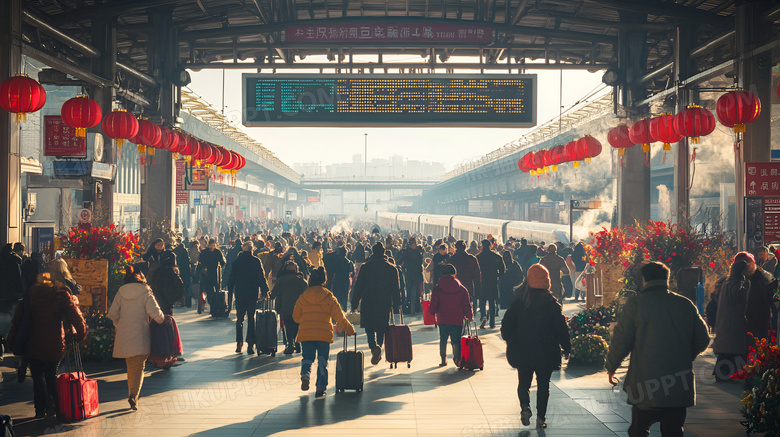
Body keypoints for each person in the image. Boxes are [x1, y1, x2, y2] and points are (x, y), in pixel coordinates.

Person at [606, 262, 710, 437]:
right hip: (677, 382)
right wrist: (685, 356)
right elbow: (703, 338)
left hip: (646, 382)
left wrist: (612, 366)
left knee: (639, 429)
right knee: (674, 430)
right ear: (667, 279)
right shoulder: (685, 304)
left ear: (644, 279)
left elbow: (621, 339)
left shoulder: (636, 304)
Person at [7, 271, 87, 418]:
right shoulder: (61, 296)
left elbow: (17, 322)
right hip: (55, 345)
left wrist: (11, 343)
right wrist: (80, 336)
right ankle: (55, 407)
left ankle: (39, 409)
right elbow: (76, 317)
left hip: (32, 346)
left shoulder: (29, 297)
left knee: (37, 377)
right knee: (51, 375)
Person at [501, 264, 570, 430]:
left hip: (523, 352)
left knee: (523, 383)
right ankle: (540, 419)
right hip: (546, 353)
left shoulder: (519, 304)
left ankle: (525, 406)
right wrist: (566, 347)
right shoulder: (553, 305)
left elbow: (505, 328)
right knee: (543, 386)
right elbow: (561, 329)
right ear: (547, 282)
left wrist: (511, 340)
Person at [292, 267, 355, 398]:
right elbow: (339, 317)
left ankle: (305, 375)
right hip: (323, 335)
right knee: (322, 361)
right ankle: (320, 388)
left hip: (306, 334)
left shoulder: (303, 296)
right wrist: (349, 329)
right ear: (323, 280)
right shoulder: (328, 296)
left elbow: (296, 317)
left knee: (307, 358)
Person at [108, 266, 165, 410]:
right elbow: (156, 314)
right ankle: (134, 395)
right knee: (139, 365)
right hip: (140, 332)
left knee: (130, 365)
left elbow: (113, 312)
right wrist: (162, 318)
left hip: (125, 331)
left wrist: (119, 324)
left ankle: (131, 393)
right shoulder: (146, 291)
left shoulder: (121, 291)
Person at [351, 242, 402, 365]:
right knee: (381, 327)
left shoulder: (365, 267)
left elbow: (359, 287)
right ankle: (379, 345)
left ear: (373, 252)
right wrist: (397, 303)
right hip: (384, 302)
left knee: (369, 327)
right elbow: (396, 288)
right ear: (384, 252)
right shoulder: (391, 268)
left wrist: (354, 302)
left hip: (368, 300)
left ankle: (374, 347)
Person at [228, 241, 268, 354]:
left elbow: (232, 278)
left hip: (240, 293)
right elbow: (261, 276)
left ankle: (239, 342)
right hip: (252, 293)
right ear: (252, 250)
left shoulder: (237, 262)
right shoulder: (256, 261)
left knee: (239, 318)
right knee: (251, 318)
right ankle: (250, 344)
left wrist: (230, 292)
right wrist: (265, 290)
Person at [429, 264, 473, 366]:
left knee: (443, 339)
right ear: (455, 274)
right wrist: (469, 316)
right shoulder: (462, 288)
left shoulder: (437, 288)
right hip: (457, 319)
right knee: (456, 340)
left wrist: (432, 311)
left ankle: (443, 359)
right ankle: (457, 359)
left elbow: (434, 303)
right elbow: (466, 304)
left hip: (442, 319)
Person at [271, 261, 308, 354]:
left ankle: (290, 344)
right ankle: (297, 343)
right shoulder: (301, 280)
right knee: (297, 325)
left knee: (288, 326)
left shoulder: (281, 279)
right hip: (299, 309)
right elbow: (307, 294)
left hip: (285, 307)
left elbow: (273, 294)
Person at [743, 251, 778, 340]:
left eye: (748, 264)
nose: (746, 267)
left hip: (761, 320)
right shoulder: (741, 280)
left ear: (753, 263)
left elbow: (770, 300)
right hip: (748, 321)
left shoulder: (764, 277)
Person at [475, 239, 505, 329]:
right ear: (490, 246)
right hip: (492, 281)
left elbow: (475, 271)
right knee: (492, 302)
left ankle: (483, 316)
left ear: (482, 246)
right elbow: (503, 270)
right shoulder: (497, 257)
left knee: (482, 301)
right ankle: (492, 321)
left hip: (482, 282)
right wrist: (497, 275)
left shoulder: (478, 257)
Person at [148, 252, 185, 316]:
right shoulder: (172, 272)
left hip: (156, 300)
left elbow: (149, 282)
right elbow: (180, 289)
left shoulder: (154, 270)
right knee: (166, 320)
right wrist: (174, 300)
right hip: (168, 302)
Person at [196, 239, 226, 315]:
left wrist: (221, 265)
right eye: (211, 245)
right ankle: (211, 305)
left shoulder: (217, 252)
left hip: (215, 274)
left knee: (216, 291)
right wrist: (204, 267)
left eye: (213, 245)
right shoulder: (205, 252)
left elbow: (222, 262)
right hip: (206, 274)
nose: (212, 246)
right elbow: (200, 261)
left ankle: (214, 307)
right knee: (209, 291)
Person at [449, 240, 481, 310]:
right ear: (465, 247)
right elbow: (477, 275)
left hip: (455, 286)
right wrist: (477, 287)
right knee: (467, 305)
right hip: (468, 285)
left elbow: (449, 274)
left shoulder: (452, 259)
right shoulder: (472, 258)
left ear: (456, 247)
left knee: (456, 306)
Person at [399, 237, 425, 314]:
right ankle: (416, 307)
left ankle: (410, 305)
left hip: (409, 274)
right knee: (416, 291)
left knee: (409, 290)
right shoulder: (419, 251)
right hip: (416, 274)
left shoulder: (406, 252)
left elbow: (400, 261)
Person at [326, 246, 353, 311]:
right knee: (344, 298)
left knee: (336, 297)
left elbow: (332, 269)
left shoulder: (336, 260)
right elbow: (352, 273)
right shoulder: (349, 262)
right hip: (345, 281)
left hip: (337, 280)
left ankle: (335, 311)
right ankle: (343, 311)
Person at [172, 239, 192, 308]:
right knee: (186, 288)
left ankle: (180, 302)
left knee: (179, 287)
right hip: (185, 272)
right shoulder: (184, 251)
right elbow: (187, 262)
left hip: (178, 271)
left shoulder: (174, 252)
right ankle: (187, 303)